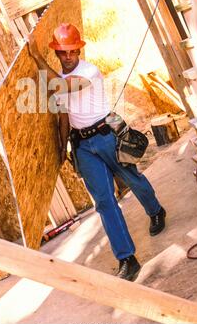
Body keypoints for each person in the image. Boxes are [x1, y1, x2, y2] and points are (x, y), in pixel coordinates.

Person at [27, 23, 166, 281]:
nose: (68, 56)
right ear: (56, 53)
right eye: (63, 52)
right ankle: (127, 258)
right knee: (103, 201)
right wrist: (61, 149)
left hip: (105, 135)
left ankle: (156, 210)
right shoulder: (58, 78)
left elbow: (64, 87)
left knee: (131, 178)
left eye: (72, 51)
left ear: (79, 50)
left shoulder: (89, 71)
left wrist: (35, 56)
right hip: (83, 146)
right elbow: (63, 117)